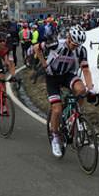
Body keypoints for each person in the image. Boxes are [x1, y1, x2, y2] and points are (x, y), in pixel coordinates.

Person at [34, 25, 93, 158]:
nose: (75, 46)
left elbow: (86, 70)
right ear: (68, 38)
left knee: (81, 90)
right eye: (73, 43)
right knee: (57, 109)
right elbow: (36, 47)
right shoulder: (56, 44)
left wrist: (91, 88)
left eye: (78, 44)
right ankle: (55, 137)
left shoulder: (81, 50)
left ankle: (77, 115)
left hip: (67, 75)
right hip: (52, 77)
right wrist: (44, 63)